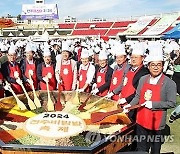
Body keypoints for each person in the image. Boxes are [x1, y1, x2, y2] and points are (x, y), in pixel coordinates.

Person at [123, 45, 177, 154]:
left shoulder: (169, 83)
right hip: (141, 121)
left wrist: (154, 104)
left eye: (158, 65)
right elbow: (138, 96)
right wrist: (129, 106)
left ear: (162, 66)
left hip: (156, 124)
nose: (155, 67)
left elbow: (172, 103)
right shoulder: (143, 79)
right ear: (148, 66)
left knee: (155, 151)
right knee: (141, 150)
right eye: (153, 65)